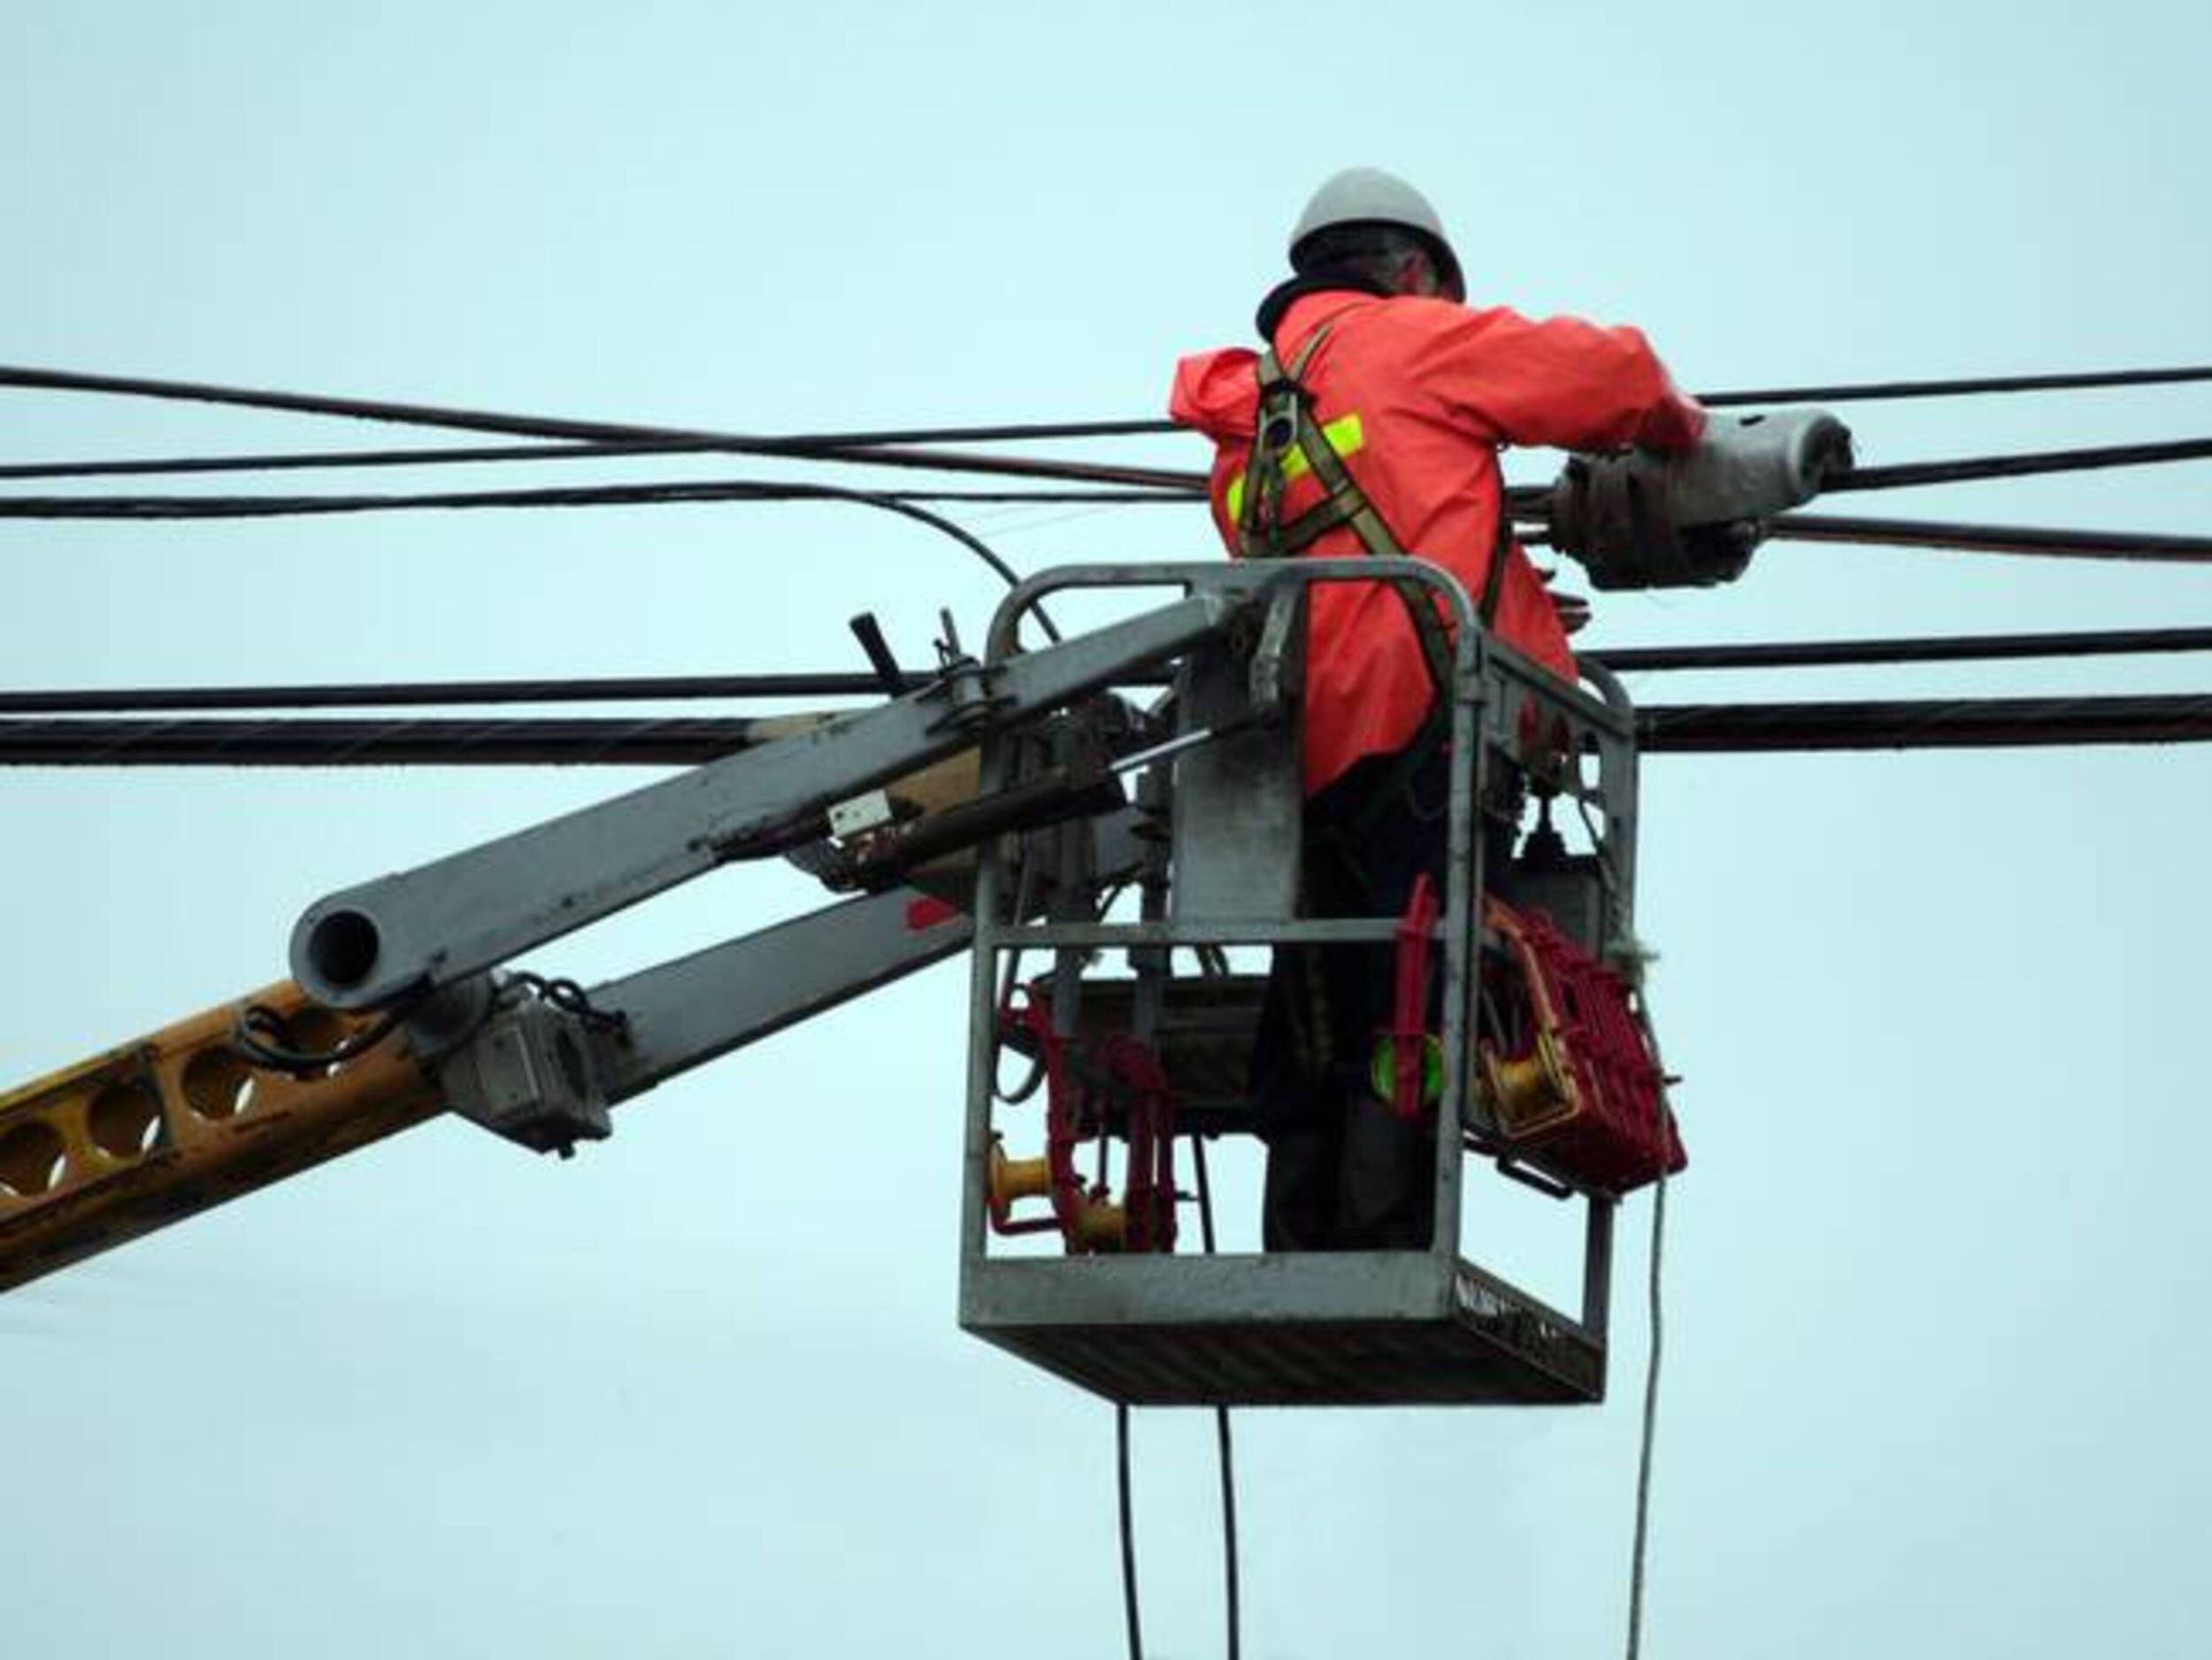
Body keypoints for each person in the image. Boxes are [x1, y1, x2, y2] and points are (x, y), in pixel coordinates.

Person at [1167, 166, 1706, 1250]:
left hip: (1294, 757)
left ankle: (1303, 1251)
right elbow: (1617, 377)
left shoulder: (1251, 413)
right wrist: (1688, 434)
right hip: (1419, 730)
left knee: (1319, 993)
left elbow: (1374, 546)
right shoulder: (1410, 337)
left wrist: (1515, 604)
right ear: (1412, 271)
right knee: (1413, 990)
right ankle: (1382, 1241)